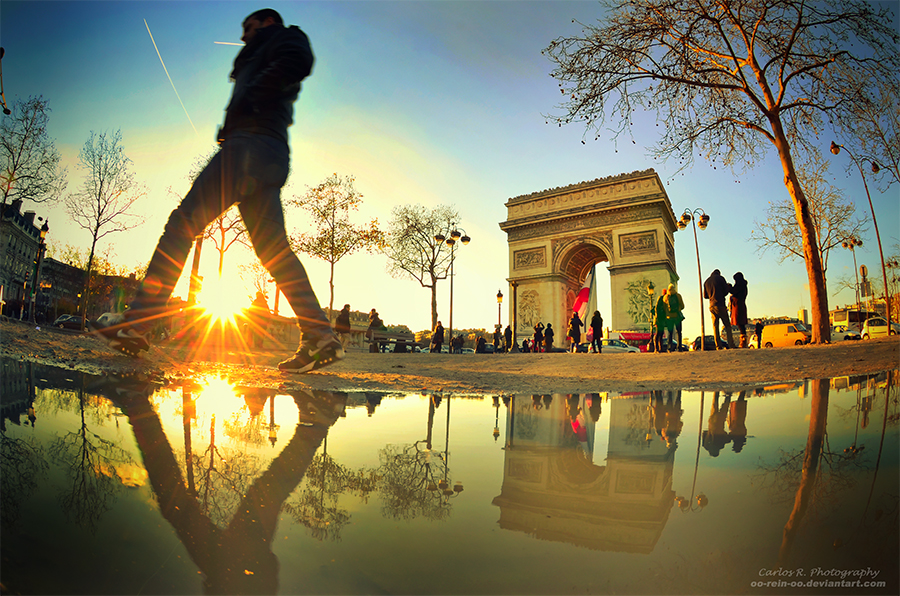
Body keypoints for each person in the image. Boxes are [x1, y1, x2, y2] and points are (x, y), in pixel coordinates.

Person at [90, 9, 343, 372]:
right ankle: (321, 337)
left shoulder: (284, 37)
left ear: (267, 22)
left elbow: (298, 61)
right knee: (275, 253)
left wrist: (251, 99)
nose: (243, 36)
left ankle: (137, 324)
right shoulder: (260, 50)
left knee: (182, 224)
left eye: (248, 28)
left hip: (250, 146)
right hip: (266, 151)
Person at [703, 269, 734, 349]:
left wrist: (711, 295)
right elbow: (726, 291)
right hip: (720, 304)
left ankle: (718, 346)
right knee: (727, 325)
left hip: (711, 306)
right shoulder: (721, 278)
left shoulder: (706, 281)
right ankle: (731, 344)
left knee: (715, 326)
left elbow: (705, 296)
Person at [730, 272, 749, 348]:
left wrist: (729, 287)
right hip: (740, 304)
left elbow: (733, 291)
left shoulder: (739, 285)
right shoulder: (743, 285)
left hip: (738, 305)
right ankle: (743, 341)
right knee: (741, 324)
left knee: (740, 323)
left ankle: (743, 341)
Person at [665, 284, 685, 351]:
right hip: (677, 316)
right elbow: (682, 306)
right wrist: (678, 309)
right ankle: (679, 347)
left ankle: (669, 348)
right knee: (679, 332)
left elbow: (664, 308)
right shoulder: (678, 296)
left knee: (670, 332)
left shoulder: (665, 297)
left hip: (669, 317)